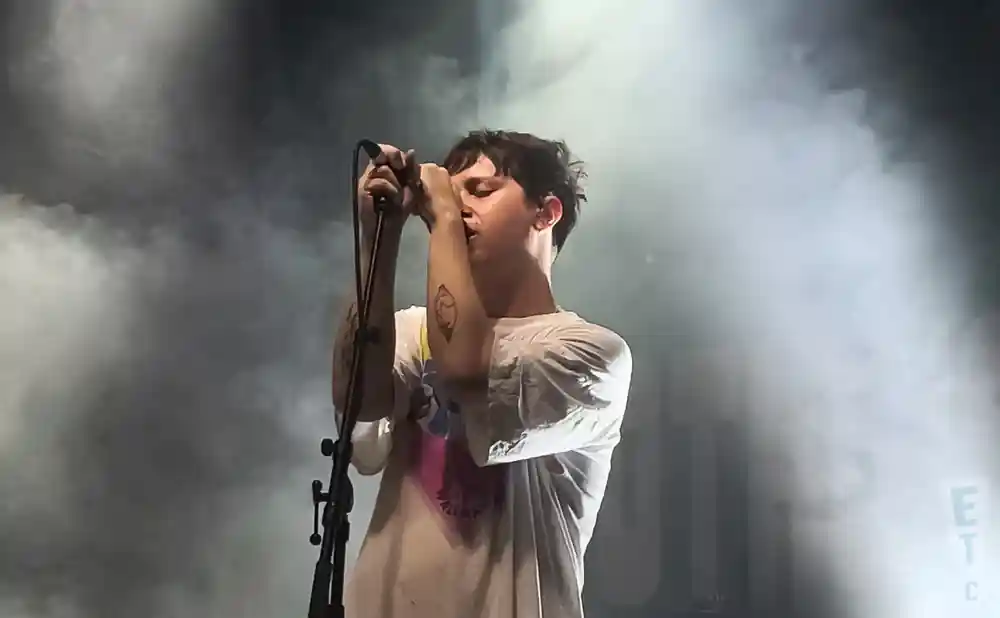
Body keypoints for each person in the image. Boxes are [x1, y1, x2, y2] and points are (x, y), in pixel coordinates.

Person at [331, 129, 633, 618]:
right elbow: (356, 402)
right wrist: (377, 241)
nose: (456, 203)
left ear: (546, 212)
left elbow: (468, 374)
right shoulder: (412, 329)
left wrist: (445, 218)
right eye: (451, 191)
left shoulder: (592, 354)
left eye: (480, 190)